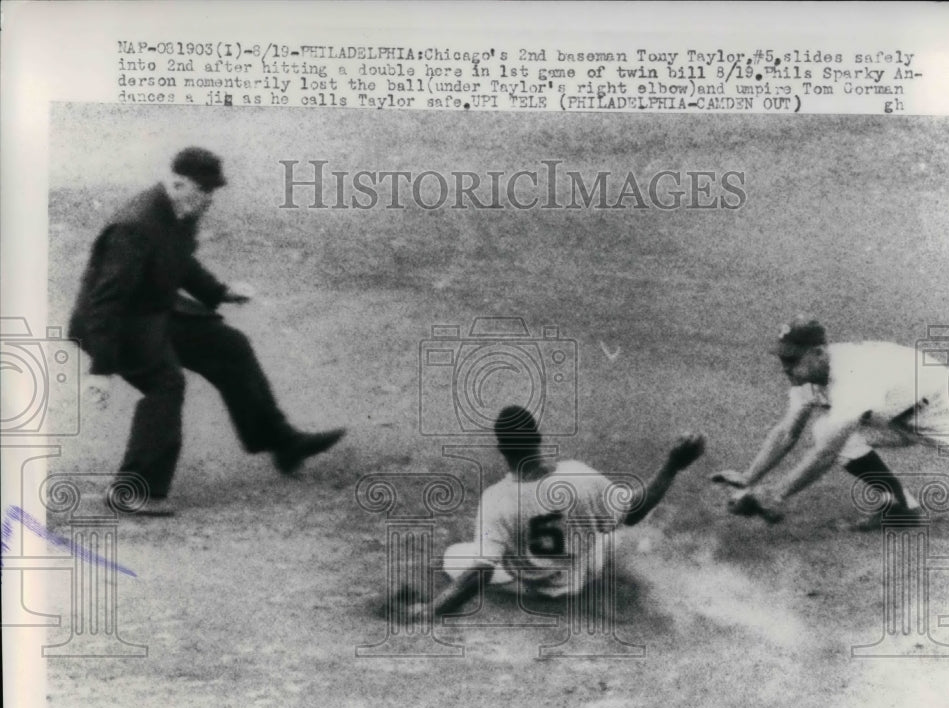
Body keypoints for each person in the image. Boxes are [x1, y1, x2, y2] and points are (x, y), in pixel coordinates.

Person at [68, 147, 345, 516]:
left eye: (212, 191)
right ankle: (131, 490)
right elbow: (105, 301)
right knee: (165, 383)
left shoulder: (179, 211)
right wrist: (101, 370)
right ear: (178, 183)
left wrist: (218, 293)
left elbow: (178, 261)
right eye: (203, 191)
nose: (209, 199)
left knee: (230, 346)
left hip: (153, 313)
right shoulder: (135, 226)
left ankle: (282, 442)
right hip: (113, 324)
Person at [406, 405, 705, 619]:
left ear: (502, 449)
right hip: (584, 573)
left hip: (533, 587)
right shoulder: (579, 474)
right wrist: (673, 464)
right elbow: (635, 511)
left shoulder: (496, 499)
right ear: (538, 438)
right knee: (609, 531)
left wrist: (430, 610)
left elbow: (479, 575)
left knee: (456, 556)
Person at [711, 316, 949, 528]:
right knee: (824, 429)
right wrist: (749, 476)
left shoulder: (851, 375)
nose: (785, 368)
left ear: (818, 353)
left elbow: (826, 453)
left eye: (792, 360)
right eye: (782, 359)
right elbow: (787, 432)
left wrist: (777, 494)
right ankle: (899, 506)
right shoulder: (809, 380)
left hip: (946, 409)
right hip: (895, 418)